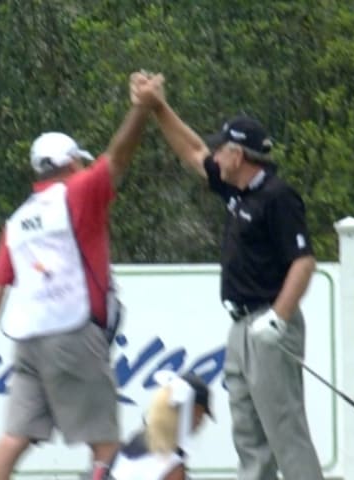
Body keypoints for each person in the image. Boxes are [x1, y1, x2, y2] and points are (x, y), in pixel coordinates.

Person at [0, 73, 162, 480]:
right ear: (72, 163)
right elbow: (119, 157)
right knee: (105, 442)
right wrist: (141, 110)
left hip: (28, 340)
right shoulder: (79, 192)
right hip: (72, 332)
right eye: (80, 162)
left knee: (15, 437)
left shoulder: (18, 220)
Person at [132, 74, 324, 480]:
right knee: (249, 439)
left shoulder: (277, 195)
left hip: (270, 323)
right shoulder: (238, 192)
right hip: (240, 327)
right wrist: (157, 107)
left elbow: (303, 261)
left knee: (285, 432)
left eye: (222, 148)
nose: (215, 155)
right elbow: (193, 152)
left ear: (238, 155)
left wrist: (280, 316)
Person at [109, 371, 213, 480]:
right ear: (190, 412)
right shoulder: (171, 464)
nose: (200, 423)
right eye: (199, 415)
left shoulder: (134, 442)